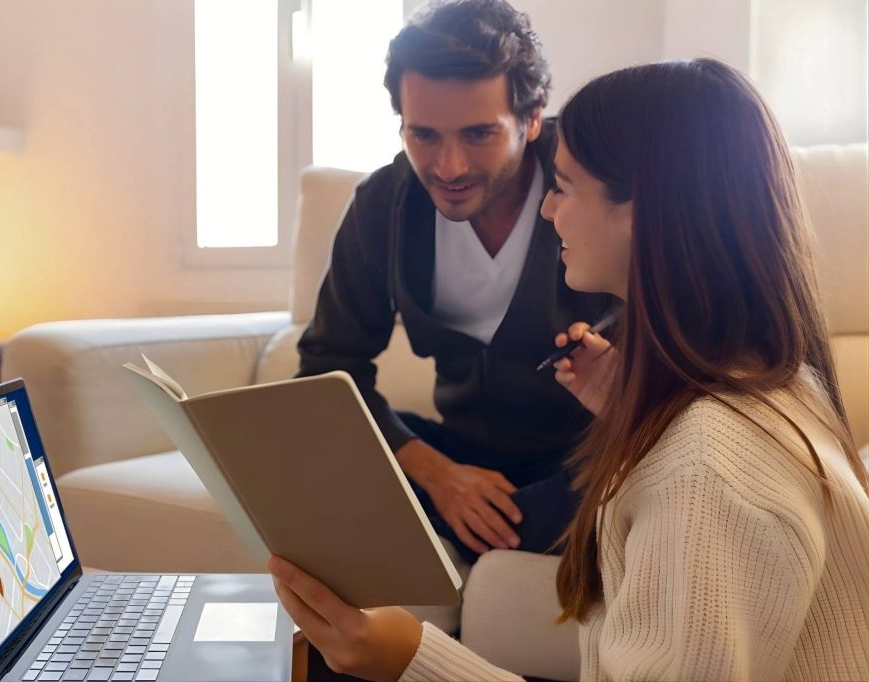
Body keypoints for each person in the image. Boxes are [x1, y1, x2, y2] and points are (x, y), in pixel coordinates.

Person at [271, 58, 869, 681]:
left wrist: (412, 659)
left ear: (640, 210)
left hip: (562, 471)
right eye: (424, 134)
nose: (547, 210)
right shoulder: (769, 390)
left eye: (562, 186)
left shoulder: (705, 474)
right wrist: (627, 407)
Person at [297, 0, 611, 562]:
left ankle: (486, 541)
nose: (449, 167)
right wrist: (439, 475)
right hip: (458, 453)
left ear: (531, 118)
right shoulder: (381, 207)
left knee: (580, 502)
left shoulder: (595, 185)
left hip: (583, 461)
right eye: (424, 135)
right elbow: (327, 370)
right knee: (305, 451)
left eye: (478, 134)